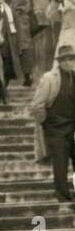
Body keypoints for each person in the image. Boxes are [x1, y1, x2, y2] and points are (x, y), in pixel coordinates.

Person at [29, 43, 75, 202]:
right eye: (65, 60)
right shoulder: (49, 78)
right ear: (59, 62)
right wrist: (46, 123)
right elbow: (37, 104)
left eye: (71, 59)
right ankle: (62, 195)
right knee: (60, 163)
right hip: (55, 127)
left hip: (73, 126)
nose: (68, 62)